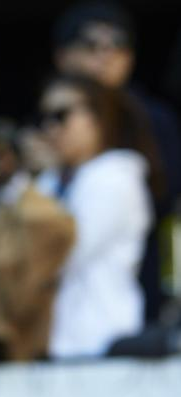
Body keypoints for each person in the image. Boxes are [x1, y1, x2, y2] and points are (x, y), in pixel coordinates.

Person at [52, 1, 180, 322]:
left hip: (138, 275)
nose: (105, 55)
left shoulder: (151, 119)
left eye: (118, 46)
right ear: (63, 56)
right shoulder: (52, 114)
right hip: (55, 290)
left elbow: (168, 202)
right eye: (91, 44)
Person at [35, 74, 160, 358]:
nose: (50, 128)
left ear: (98, 118)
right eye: (43, 118)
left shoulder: (115, 177)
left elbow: (64, 252)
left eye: (61, 115)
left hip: (100, 339)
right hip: (55, 342)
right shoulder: (54, 179)